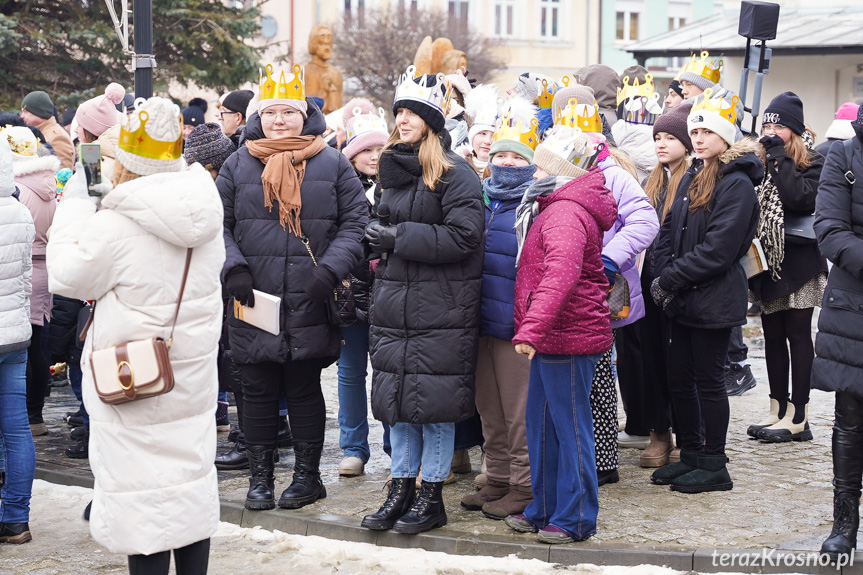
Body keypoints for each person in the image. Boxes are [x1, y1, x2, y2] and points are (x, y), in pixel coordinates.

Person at [46, 95, 226, 573]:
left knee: (141, 499)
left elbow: (66, 276)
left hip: (133, 376)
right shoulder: (205, 213)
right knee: (187, 487)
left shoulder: (118, 222)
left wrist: (77, 205)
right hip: (188, 371)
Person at [217, 64, 367, 511]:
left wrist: (333, 269)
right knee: (257, 388)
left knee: (303, 389)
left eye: (288, 112)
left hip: (310, 296)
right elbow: (216, 225)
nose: (279, 120)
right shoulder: (237, 162)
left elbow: (355, 224)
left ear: (306, 115)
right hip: (253, 297)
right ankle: (260, 478)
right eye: (271, 112)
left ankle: (307, 477)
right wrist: (234, 269)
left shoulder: (332, 161)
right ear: (258, 116)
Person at [361, 68, 483, 535]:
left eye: (413, 112)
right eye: (400, 112)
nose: (404, 119)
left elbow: (465, 237)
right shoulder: (393, 172)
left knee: (432, 407)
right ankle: (400, 489)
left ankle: (432, 496)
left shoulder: (457, 175)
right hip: (397, 306)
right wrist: (376, 240)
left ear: (432, 121)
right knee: (398, 404)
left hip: (441, 310)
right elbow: (385, 232)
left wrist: (397, 236)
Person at [503, 126, 616, 544]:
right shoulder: (553, 206)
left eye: (540, 165)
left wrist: (531, 329)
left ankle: (576, 517)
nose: (533, 170)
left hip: (566, 336)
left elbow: (559, 277)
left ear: (559, 170)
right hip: (553, 335)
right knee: (543, 427)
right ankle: (545, 508)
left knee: (569, 430)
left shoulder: (565, 212)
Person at [650, 89, 761, 493]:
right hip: (681, 297)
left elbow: (719, 249)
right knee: (680, 378)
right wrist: (659, 277)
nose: (697, 137)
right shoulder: (696, 173)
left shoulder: (738, 184)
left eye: (707, 131)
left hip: (712, 298)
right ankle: (692, 453)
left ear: (726, 136)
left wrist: (670, 280)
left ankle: (715, 463)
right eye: (694, 130)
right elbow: (669, 231)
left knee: (709, 382)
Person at [551, 84, 660, 484]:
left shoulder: (611, 172)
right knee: (577, 373)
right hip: (567, 288)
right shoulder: (555, 163)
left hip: (602, 291)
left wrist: (606, 258)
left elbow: (645, 221)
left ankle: (601, 459)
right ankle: (579, 454)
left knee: (597, 373)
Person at [460, 98, 537, 520]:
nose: (506, 162)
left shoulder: (533, 203)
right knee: (489, 407)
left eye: (516, 156)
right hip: (480, 322)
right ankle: (499, 478)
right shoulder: (481, 197)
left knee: (518, 410)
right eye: (501, 154)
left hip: (515, 324)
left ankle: (525, 486)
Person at [748, 92, 826, 443]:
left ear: (793, 130)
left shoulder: (814, 161)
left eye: (778, 125)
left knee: (797, 335)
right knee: (772, 337)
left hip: (801, 262)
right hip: (768, 263)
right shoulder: (757, 162)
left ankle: (799, 415)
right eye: (766, 124)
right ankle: (776, 408)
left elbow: (799, 198)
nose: (770, 131)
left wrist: (778, 157)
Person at [619, 102, 693, 468]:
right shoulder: (653, 180)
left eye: (670, 137)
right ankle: (658, 432)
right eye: (658, 137)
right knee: (650, 362)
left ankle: (687, 432)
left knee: (680, 363)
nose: (661, 144)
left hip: (680, 283)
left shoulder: (695, 179)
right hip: (647, 281)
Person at [811, 104, 863, 560]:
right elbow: (829, 229)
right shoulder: (843, 156)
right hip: (855, 306)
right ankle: (844, 519)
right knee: (850, 416)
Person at [336, 98, 389, 477]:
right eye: (365, 150)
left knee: (388, 371)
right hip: (350, 293)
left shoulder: (396, 186)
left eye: (379, 149)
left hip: (389, 293)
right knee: (350, 371)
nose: (373, 156)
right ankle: (353, 446)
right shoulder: (342, 188)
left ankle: (393, 443)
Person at [1, 126, 58, 437]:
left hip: (23, 267)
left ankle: (31, 414)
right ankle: (35, 414)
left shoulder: (17, 187)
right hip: (45, 266)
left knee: (26, 345)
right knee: (39, 340)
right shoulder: (46, 183)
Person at [0, 136, 37, 545]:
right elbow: (25, 276)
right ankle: (15, 519)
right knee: (16, 428)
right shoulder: (19, 211)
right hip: (14, 335)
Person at [74, 82, 126, 184]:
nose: (76, 130)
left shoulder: (95, 163)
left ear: (91, 131)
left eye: (80, 125)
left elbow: (88, 198)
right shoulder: (106, 156)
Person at [20, 90, 74, 169]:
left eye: (25, 112)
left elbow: (63, 174)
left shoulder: (57, 137)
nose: (21, 116)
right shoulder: (39, 132)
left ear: (38, 112)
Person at [458, 84, 499, 177]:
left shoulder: (505, 172)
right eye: (483, 133)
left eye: (494, 136)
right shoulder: (456, 165)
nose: (488, 141)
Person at [305, 25, 344, 114]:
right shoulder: (307, 72)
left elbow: (339, 107)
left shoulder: (336, 73)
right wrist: (322, 90)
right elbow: (307, 107)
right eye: (322, 44)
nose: (326, 47)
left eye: (328, 43)